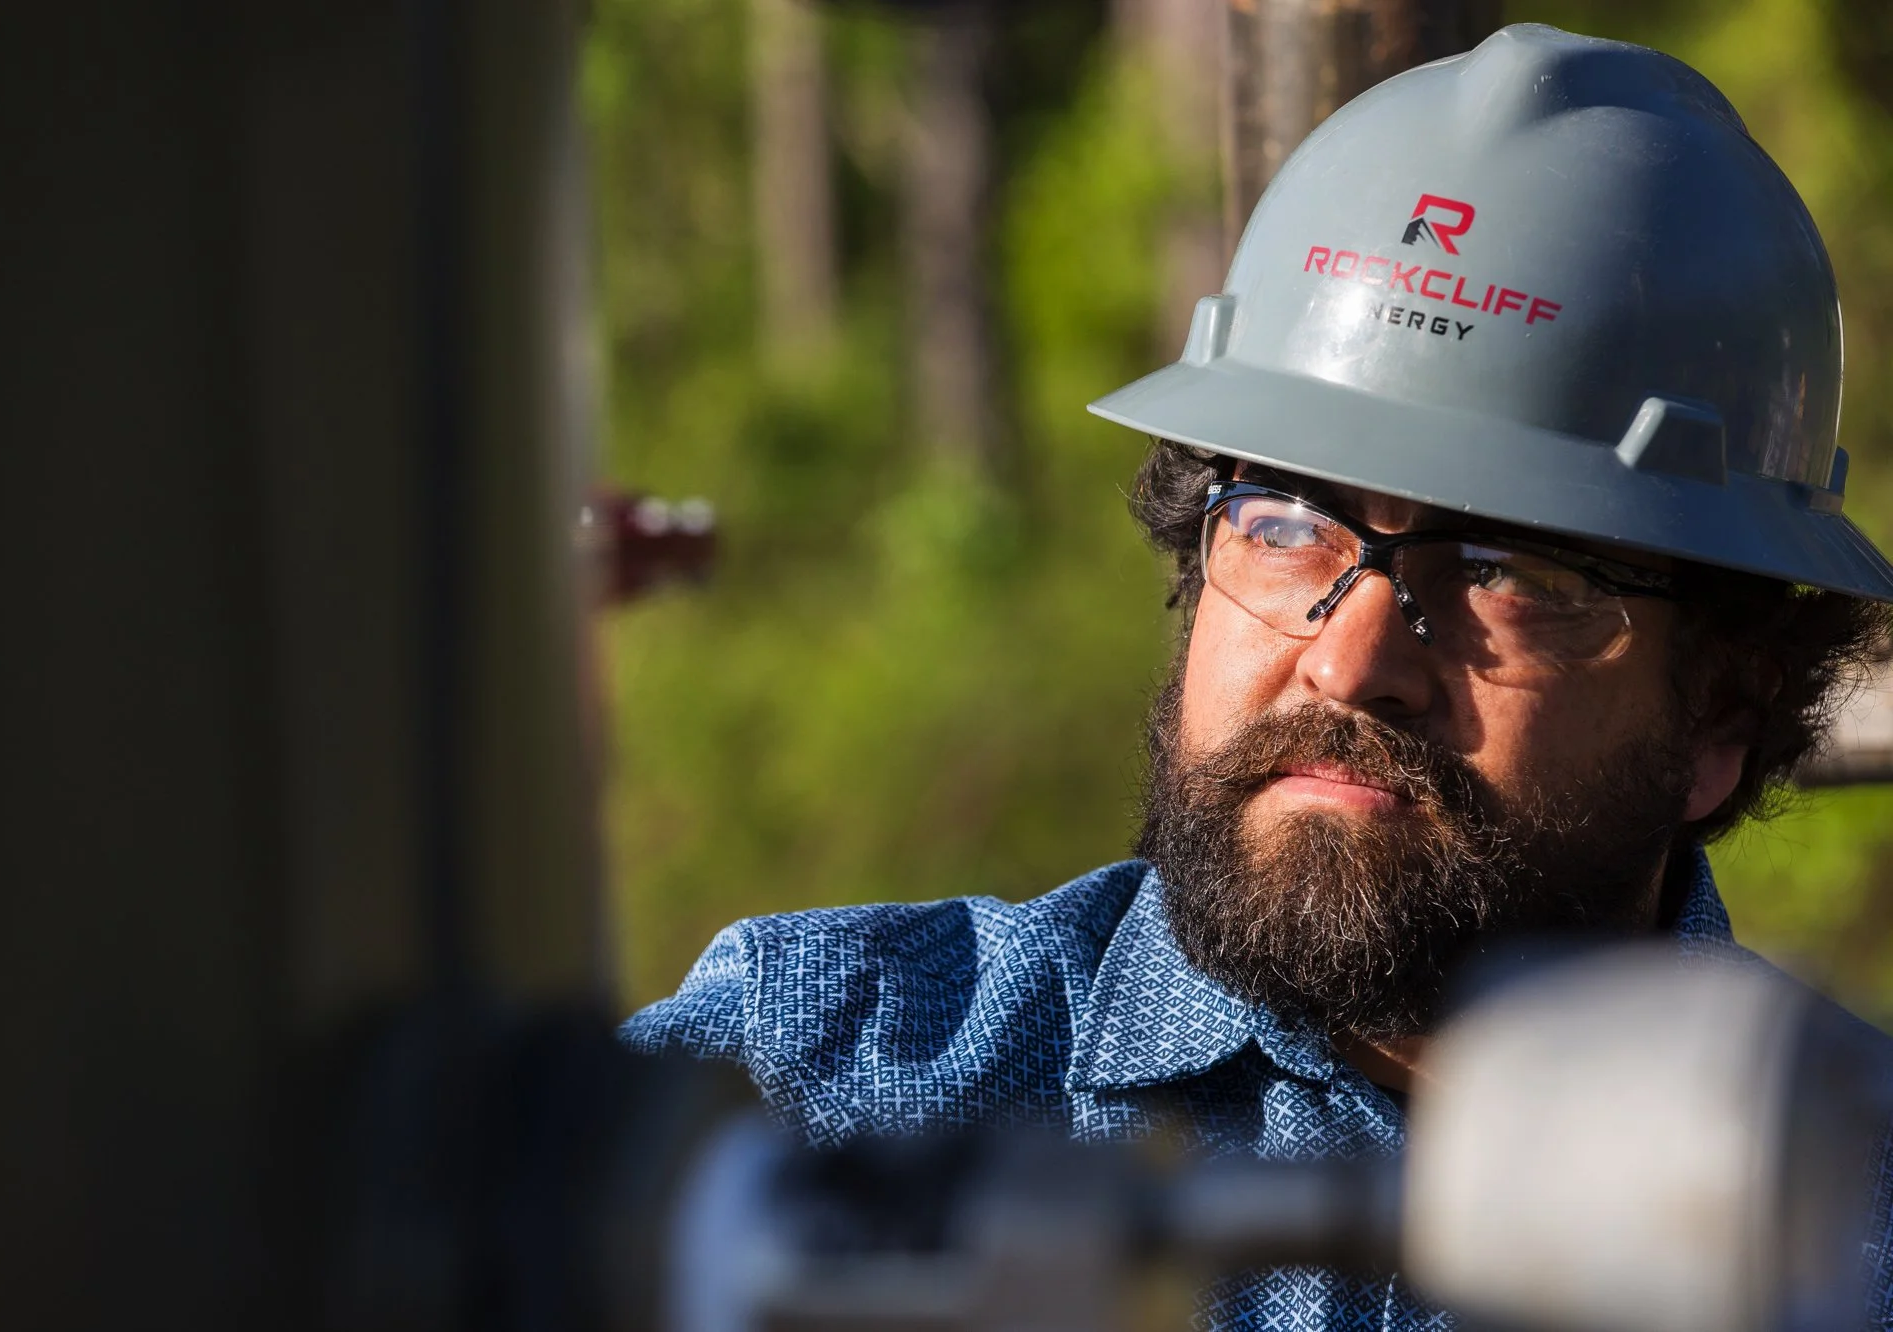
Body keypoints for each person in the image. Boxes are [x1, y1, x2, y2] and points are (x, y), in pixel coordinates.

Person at [620, 22, 1893, 1329]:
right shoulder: (809, 1086)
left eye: (1507, 571)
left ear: (1723, 712)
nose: (1349, 661)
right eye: (1286, 526)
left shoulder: (1863, 1235)